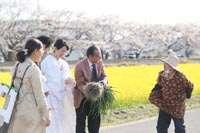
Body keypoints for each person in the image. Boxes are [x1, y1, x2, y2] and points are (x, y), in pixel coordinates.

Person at [8, 39, 50, 133]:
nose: (42, 53)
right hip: (32, 113)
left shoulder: (17, 66)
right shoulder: (33, 70)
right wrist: (47, 114)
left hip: (17, 111)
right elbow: (39, 96)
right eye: (41, 50)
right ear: (35, 51)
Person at [149, 54, 194, 133]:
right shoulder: (162, 75)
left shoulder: (180, 76)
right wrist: (153, 92)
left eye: (166, 64)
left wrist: (188, 95)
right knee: (161, 127)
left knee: (179, 127)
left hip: (177, 106)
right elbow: (159, 85)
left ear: (171, 66)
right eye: (164, 64)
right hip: (165, 104)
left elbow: (190, 85)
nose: (164, 66)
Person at [40, 39, 76, 133]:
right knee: (51, 120)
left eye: (65, 51)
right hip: (50, 95)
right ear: (55, 49)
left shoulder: (64, 63)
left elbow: (69, 77)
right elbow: (41, 77)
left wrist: (69, 80)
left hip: (61, 96)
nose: (63, 53)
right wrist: (46, 90)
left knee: (60, 119)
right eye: (62, 51)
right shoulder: (47, 61)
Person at [74, 45, 108, 133]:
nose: (100, 57)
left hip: (96, 98)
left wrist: (103, 83)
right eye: (97, 56)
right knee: (80, 126)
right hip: (83, 98)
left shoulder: (100, 62)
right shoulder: (79, 66)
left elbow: (104, 76)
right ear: (90, 56)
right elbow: (79, 83)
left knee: (95, 124)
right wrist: (88, 92)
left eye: (100, 55)